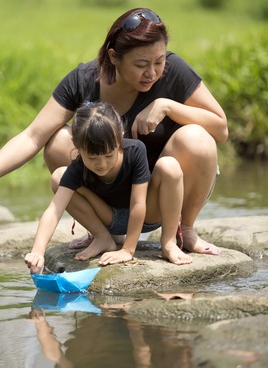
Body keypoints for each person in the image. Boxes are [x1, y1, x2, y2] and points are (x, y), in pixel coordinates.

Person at [0, 7, 228, 256]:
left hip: (157, 200)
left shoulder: (173, 71)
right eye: (141, 65)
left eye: (159, 61)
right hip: (105, 206)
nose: (152, 73)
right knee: (58, 140)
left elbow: (220, 127)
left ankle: (186, 230)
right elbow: (32, 136)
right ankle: (101, 232)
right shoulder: (84, 79)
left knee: (197, 139)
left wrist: (168, 106)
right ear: (114, 57)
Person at [25, 101, 192, 273]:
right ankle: (103, 237)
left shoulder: (135, 151)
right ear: (76, 144)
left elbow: (138, 203)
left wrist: (128, 250)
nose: (101, 164)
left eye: (109, 155)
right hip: (109, 219)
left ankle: (169, 243)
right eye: (92, 157)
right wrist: (38, 251)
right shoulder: (78, 168)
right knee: (58, 176)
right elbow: (54, 210)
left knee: (169, 166)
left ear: (120, 136)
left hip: (147, 216)